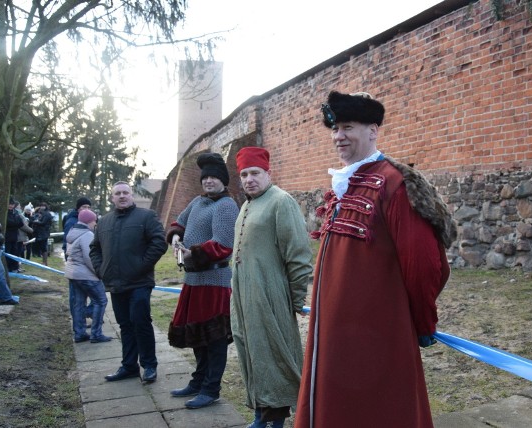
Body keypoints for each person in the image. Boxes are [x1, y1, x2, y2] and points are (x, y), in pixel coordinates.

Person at [294, 91, 455, 427]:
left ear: (372, 131)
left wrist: (423, 323)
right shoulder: (347, 184)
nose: (339, 136)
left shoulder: (393, 184)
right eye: (335, 128)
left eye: (348, 127)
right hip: (334, 335)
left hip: (377, 335)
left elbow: (423, 265)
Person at [230, 147, 313, 428]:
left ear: (268, 174)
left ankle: (275, 421)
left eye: (255, 173)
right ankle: (259, 414)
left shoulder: (281, 201)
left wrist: (295, 297)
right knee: (250, 350)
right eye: (244, 174)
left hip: (270, 294)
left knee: (273, 354)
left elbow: (299, 255)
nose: (249, 179)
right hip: (243, 295)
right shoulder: (246, 205)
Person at [165, 153, 239, 410]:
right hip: (194, 280)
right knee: (196, 334)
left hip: (215, 280)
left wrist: (192, 253)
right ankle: (198, 381)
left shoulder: (227, 206)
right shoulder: (198, 202)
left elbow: (224, 245)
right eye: (205, 177)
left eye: (214, 177)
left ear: (223, 180)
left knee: (214, 338)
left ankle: (211, 389)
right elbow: (178, 223)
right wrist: (175, 237)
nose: (208, 181)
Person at [90, 181, 167, 383]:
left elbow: (159, 242)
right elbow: (94, 249)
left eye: (125, 193)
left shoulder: (146, 216)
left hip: (140, 281)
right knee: (125, 325)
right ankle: (129, 366)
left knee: (140, 322)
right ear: (112, 197)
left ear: (131, 196)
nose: (122, 196)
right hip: (115, 283)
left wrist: (141, 266)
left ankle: (149, 365)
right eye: (118, 193)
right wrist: (100, 270)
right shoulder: (104, 222)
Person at [65, 209, 112, 344]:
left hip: (74, 274)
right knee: (101, 301)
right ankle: (96, 334)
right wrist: (100, 273)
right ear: (90, 221)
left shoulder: (73, 232)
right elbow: (90, 258)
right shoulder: (86, 235)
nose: (95, 224)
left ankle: (79, 333)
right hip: (86, 275)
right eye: (94, 221)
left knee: (78, 303)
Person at [62, 197, 94, 320]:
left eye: (88, 207)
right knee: (76, 295)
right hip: (77, 263)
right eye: (83, 207)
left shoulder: (88, 220)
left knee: (85, 294)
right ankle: (79, 318)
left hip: (83, 263)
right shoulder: (71, 221)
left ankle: (83, 316)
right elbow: (67, 241)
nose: (86, 209)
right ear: (78, 208)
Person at [4, 198, 25, 272]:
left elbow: (21, 223)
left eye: (12, 204)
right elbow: (9, 223)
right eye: (9, 204)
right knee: (7, 253)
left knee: (15, 252)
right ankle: (8, 268)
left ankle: (15, 267)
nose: (10, 206)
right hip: (6, 237)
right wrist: (15, 223)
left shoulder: (16, 213)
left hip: (15, 236)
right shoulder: (5, 212)